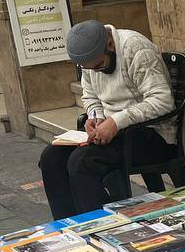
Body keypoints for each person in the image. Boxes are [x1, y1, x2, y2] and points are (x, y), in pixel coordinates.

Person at [38, 20, 175, 219]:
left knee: (82, 162)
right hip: (115, 130)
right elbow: (90, 95)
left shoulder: (136, 49)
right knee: (51, 157)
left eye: (99, 66)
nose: (96, 71)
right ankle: (70, 224)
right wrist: (96, 116)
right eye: (89, 69)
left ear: (109, 44)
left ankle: (102, 225)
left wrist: (116, 122)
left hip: (152, 134)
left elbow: (163, 101)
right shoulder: (91, 59)